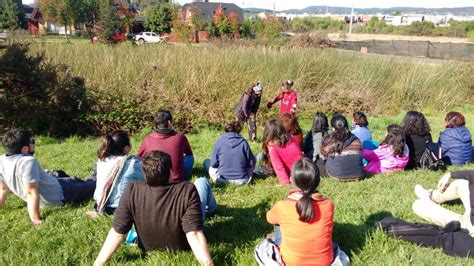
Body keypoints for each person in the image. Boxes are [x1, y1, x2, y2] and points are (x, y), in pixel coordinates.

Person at [94, 151, 213, 266]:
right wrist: (208, 263)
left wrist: (99, 262)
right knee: (202, 183)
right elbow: (194, 233)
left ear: (144, 173)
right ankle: (212, 208)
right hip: (183, 246)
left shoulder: (132, 189)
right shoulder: (187, 190)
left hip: (146, 246)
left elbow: (118, 232)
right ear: (171, 172)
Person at [0, 129, 96, 226]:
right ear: (25, 149)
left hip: (55, 186)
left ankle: (94, 175)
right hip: (59, 195)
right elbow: (31, 192)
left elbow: (3, 189)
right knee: (94, 185)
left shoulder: (1, 160)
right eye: (32, 141)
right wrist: (35, 219)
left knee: (76, 180)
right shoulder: (27, 162)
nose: (34, 144)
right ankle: (99, 173)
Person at [266, 158, 335, 266]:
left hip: (291, 262)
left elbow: (269, 218)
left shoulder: (283, 206)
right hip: (325, 261)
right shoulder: (328, 204)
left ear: (291, 180)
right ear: (318, 181)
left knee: (278, 224)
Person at [87, 130, 145, 217]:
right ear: (126, 148)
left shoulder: (101, 162)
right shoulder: (132, 164)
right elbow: (149, 178)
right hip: (121, 208)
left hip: (101, 204)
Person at [137, 109, 194, 182]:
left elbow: (138, 158)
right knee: (189, 157)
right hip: (176, 179)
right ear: (169, 122)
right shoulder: (180, 137)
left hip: (154, 177)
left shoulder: (147, 139)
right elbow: (189, 153)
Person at [412, 170, 474, 236]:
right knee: (461, 183)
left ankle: (462, 224)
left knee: (418, 205)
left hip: (471, 226)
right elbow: (470, 175)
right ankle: (432, 196)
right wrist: (450, 174)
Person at [203, 121, 255, 185]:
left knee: (206, 162)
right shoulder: (243, 142)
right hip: (243, 180)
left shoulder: (219, 141)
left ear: (225, 130)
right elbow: (251, 163)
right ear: (238, 130)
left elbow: (213, 164)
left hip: (222, 180)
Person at [257, 118, 302, 185]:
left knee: (257, 169)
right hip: (301, 171)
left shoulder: (272, 147)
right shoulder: (290, 138)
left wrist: (285, 183)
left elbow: (279, 167)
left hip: (292, 174)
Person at [320, 114, 364, 181]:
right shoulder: (356, 140)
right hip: (358, 174)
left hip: (335, 175)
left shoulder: (329, 141)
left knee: (318, 162)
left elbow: (323, 156)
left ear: (333, 128)